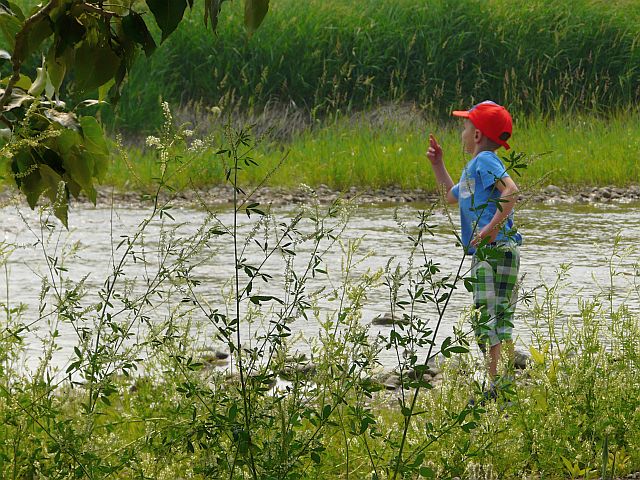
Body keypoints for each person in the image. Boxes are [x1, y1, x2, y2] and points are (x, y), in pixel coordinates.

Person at [426, 100, 522, 398]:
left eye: (466, 127)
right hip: (496, 251)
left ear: (478, 135)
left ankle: (496, 387)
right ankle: (502, 385)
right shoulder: (474, 170)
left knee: (489, 318)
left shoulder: (485, 161)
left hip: (494, 250)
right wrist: (438, 164)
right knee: (496, 318)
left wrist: (490, 228)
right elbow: (450, 196)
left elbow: (511, 190)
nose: (462, 133)